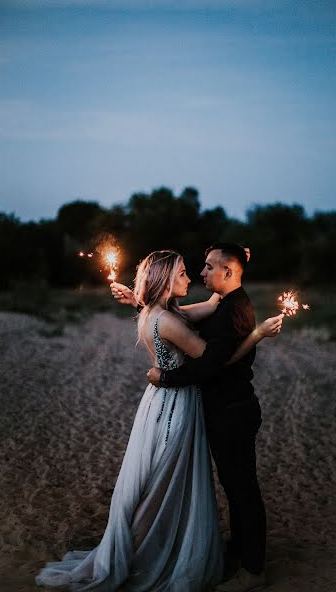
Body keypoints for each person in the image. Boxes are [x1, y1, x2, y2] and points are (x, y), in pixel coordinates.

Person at [36, 250, 281, 592]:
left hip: (175, 404)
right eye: (183, 272)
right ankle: (160, 550)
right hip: (176, 408)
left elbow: (206, 317)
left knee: (201, 484)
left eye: (205, 267)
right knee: (169, 482)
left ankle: (236, 560)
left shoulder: (169, 311)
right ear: (166, 280)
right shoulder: (168, 318)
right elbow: (211, 358)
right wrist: (256, 335)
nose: (193, 275)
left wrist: (139, 300)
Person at [112, 243, 284, 592]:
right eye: (190, 271)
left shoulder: (232, 310)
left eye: (206, 267)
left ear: (227, 272)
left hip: (230, 411)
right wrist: (141, 298)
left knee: (241, 490)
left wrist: (256, 335)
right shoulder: (216, 305)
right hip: (209, 408)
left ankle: (252, 568)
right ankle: (239, 551)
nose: (199, 274)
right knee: (230, 487)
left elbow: (210, 364)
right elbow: (184, 316)